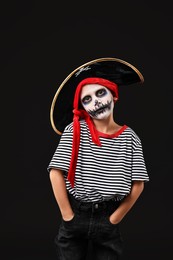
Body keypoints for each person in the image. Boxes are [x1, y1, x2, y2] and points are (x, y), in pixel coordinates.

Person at [47, 57, 149, 260]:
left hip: (107, 218)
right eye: (87, 99)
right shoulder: (74, 131)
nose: (96, 102)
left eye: (100, 93)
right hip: (77, 213)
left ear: (114, 95)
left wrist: (114, 219)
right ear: (83, 107)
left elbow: (138, 184)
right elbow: (56, 173)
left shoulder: (130, 138)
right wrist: (68, 216)